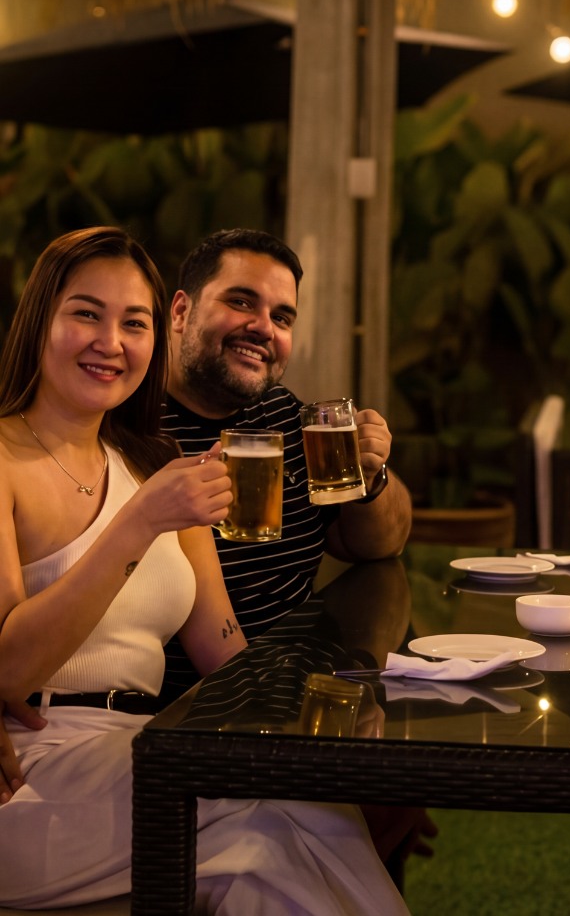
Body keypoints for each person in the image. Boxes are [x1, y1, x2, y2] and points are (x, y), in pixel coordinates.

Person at [0, 226, 408, 913]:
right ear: (40, 319)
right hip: (35, 769)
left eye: (133, 323)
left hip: (147, 747)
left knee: (303, 816)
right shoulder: (8, 458)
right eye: (86, 314)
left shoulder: (157, 463)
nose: (111, 342)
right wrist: (140, 522)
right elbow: (8, 670)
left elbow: (228, 656)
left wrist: (341, 713)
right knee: (264, 821)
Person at [158, 228, 413, 700]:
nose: (263, 328)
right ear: (180, 312)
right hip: (187, 707)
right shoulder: (131, 428)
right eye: (240, 301)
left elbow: (379, 545)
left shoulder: (286, 415)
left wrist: (372, 477)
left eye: (281, 317)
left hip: (303, 690)